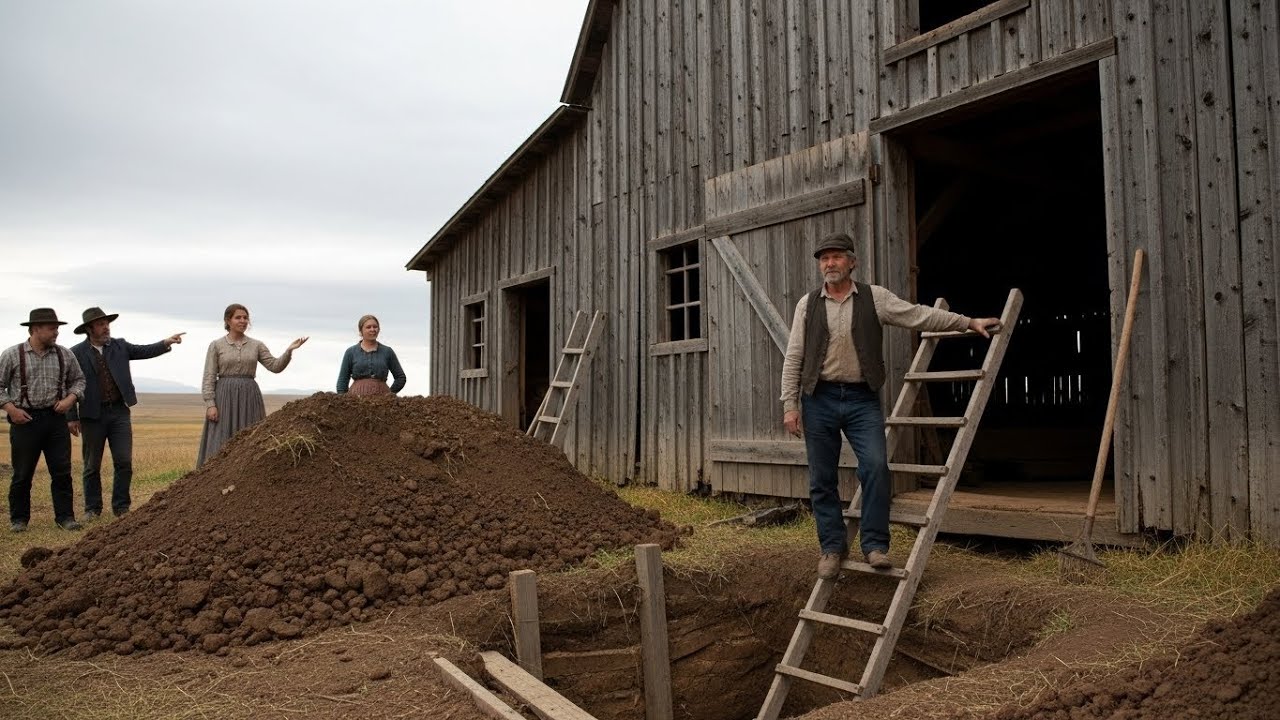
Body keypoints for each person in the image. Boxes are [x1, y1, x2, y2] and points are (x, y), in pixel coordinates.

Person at [779, 232, 999, 579]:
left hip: (861, 398)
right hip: (818, 399)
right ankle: (832, 549)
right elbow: (794, 356)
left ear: (852, 261)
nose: (829, 264)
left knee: (877, 468)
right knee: (822, 479)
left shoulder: (874, 298)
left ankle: (875, 546)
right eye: (824, 259)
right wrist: (790, 404)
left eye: (836, 257)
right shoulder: (808, 304)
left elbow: (918, 316)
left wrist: (966, 322)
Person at [67, 307, 185, 519]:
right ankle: (92, 509)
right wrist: (72, 417)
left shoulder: (120, 346)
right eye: (101, 324)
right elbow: (69, 385)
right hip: (91, 415)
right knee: (91, 465)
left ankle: (121, 508)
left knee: (123, 461)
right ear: (89, 328)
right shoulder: (75, 353)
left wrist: (166, 342)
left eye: (107, 323)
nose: (106, 328)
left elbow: (143, 350)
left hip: (119, 412)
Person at [0, 308, 87, 532]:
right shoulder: (12, 354)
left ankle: (65, 518)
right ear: (36, 329)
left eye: (57, 328)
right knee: (22, 473)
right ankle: (18, 520)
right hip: (24, 420)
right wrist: (11, 410)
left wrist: (69, 400)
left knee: (61, 471)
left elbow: (79, 381)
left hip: (55, 419)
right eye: (52, 328)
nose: (56, 332)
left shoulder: (65, 354)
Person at [196, 304, 308, 467]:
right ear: (228, 320)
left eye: (245, 317)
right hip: (224, 395)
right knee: (221, 436)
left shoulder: (256, 345)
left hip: (249, 395)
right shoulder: (216, 345)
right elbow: (209, 376)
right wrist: (210, 404)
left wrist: (289, 351)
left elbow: (275, 366)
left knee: (251, 436)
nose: (243, 321)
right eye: (238, 317)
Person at [336, 314, 407, 396]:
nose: (372, 329)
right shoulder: (351, 352)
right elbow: (342, 381)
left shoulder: (387, 351)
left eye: (375, 327)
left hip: (382, 403)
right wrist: (343, 402)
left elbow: (400, 378)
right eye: (368, 327)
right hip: (355, 402)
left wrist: (389, 395)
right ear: (361, 331)